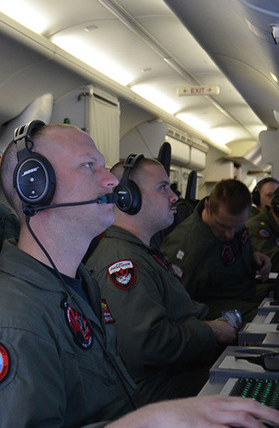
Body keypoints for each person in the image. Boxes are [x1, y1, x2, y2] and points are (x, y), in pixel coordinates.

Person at [0, 123, 279, 428]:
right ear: (35, 187)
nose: (112, 181)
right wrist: (146, 423)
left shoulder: (78, 286)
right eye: (88, 166)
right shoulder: (8, 323)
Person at [86, 155, 237, 406]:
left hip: (174, 379)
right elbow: (148, 344)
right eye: (162, 188)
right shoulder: (122, 263)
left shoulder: (141, 252)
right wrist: (212, 331)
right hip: (158, 394)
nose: (174, 196)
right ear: (127, 198)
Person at [160, 179, 271, 322]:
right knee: (267, 320)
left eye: (237, 228)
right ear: (207, 207)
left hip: (243, 291)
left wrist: (254, 253)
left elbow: (238, 244)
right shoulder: (188, 248)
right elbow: (176, 306)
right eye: (223, 226)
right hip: (211, 307)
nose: (230, 235)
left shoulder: (229, 219)